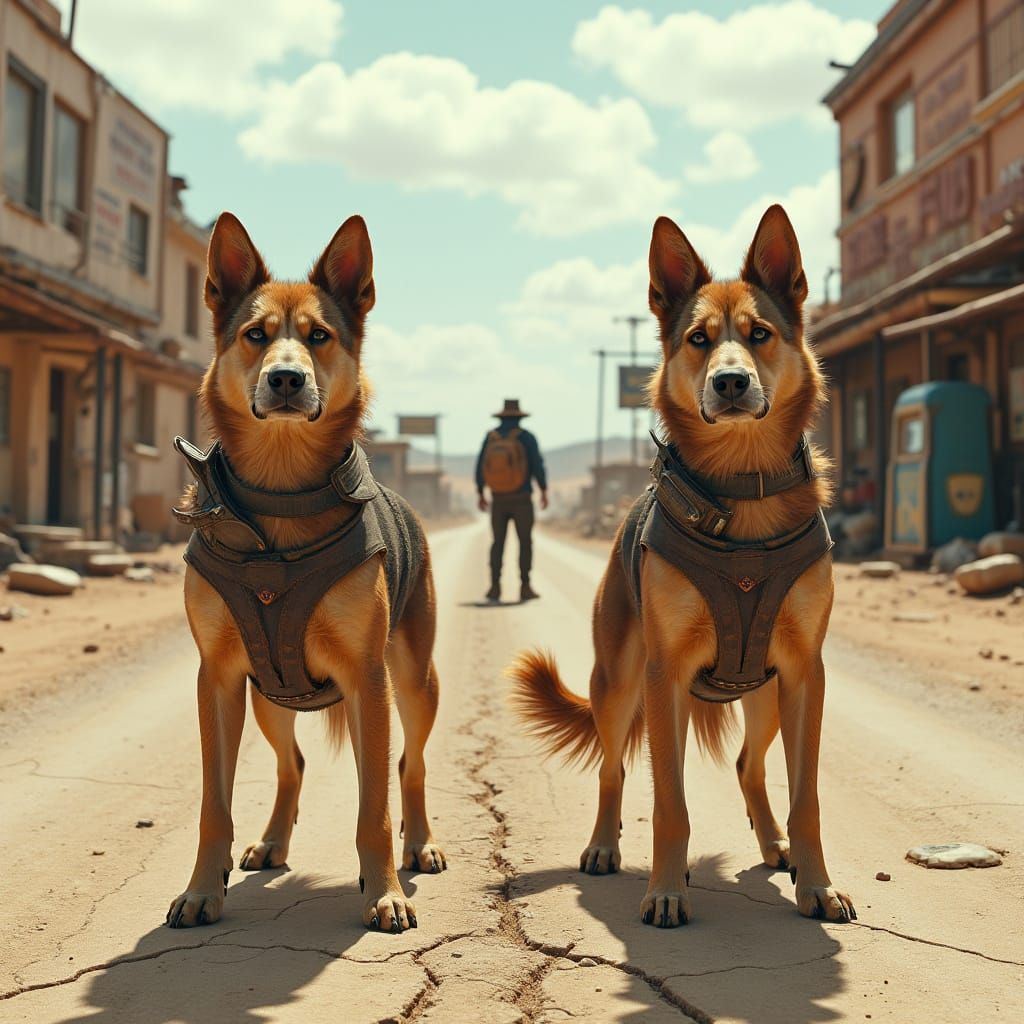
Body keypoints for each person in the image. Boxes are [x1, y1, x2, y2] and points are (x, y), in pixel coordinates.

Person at [475, 399, 548, 603]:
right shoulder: (526, 437)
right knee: (525, 542)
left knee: (497, 543)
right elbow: (537, 466)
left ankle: (494, 587)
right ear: (519, 418)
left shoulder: (491, 438)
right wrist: (543, 490)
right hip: (522, 499)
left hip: (498, 499)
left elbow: (480, 465)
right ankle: (525, 587)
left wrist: (481, 492)